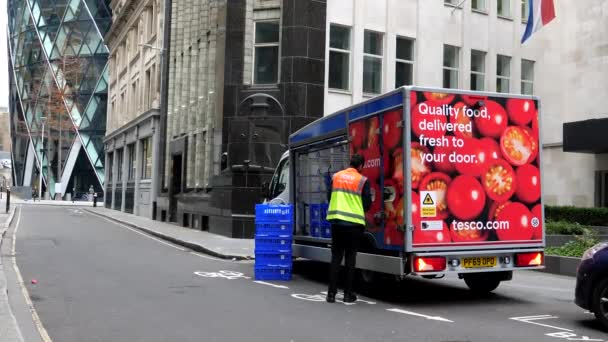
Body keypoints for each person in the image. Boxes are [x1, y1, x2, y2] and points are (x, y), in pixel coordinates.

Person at [325, 154, 372, 303]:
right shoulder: (363, 180)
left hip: (337, 223)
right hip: (354, 225)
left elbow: (329, 196)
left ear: (349, 164)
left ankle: (331, 294)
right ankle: (348, 294)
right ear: (360, 166)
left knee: (336, 258)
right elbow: (367, 204)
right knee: (350, 260)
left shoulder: (336, 177)